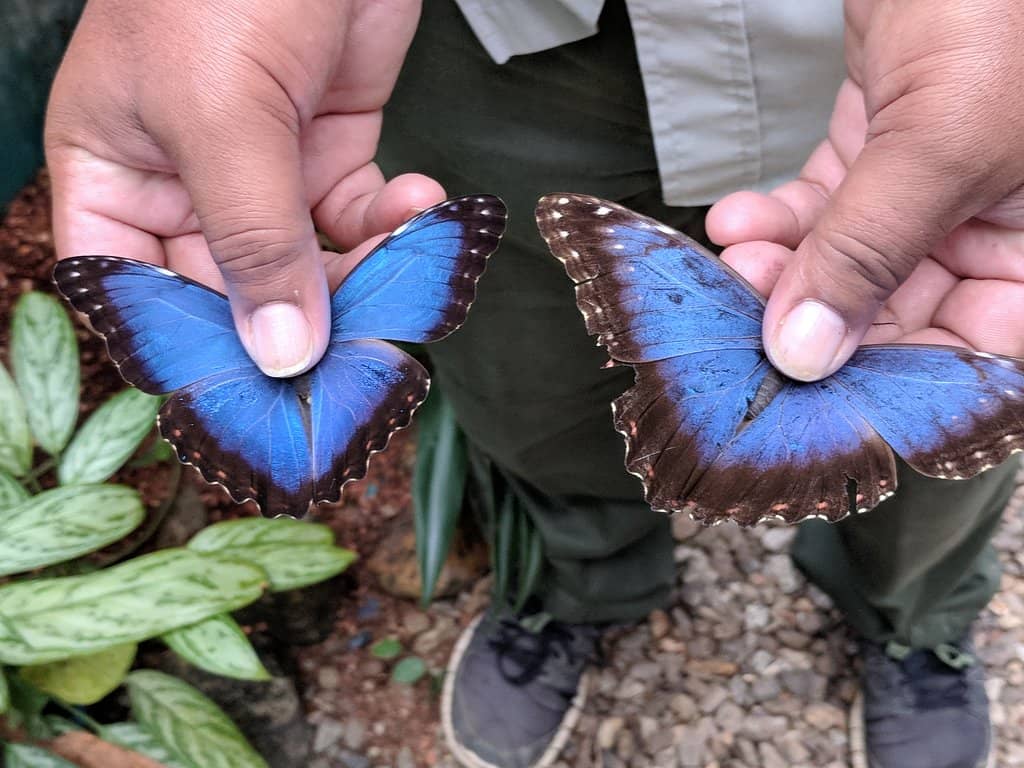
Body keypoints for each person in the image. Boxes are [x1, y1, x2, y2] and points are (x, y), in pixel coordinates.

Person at [44, 1, 1024, 767]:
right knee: (529, 375)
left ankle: (914, 621)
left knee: (967, 371)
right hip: (493, 46)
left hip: (917, 47)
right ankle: (581, 584)